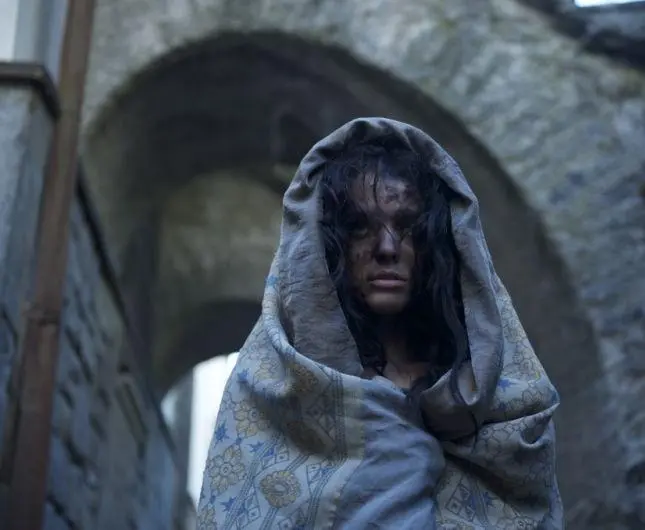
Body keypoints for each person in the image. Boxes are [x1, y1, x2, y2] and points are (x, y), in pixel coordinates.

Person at [197, 118, 563, 529]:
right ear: (328, 247)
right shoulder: (275, 392)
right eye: (359, 227)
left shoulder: (506, 409)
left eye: (408, 227)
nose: (387, 248)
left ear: (437, 243)